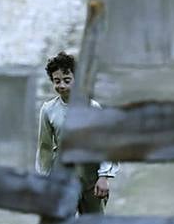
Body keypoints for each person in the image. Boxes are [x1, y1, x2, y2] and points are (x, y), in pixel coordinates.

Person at [37, 51, 119, 215]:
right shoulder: (48, 110)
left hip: (90, 176)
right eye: (57, 81)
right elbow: (45, 147)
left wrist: (104, 177)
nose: (62, 85)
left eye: (67, 80)